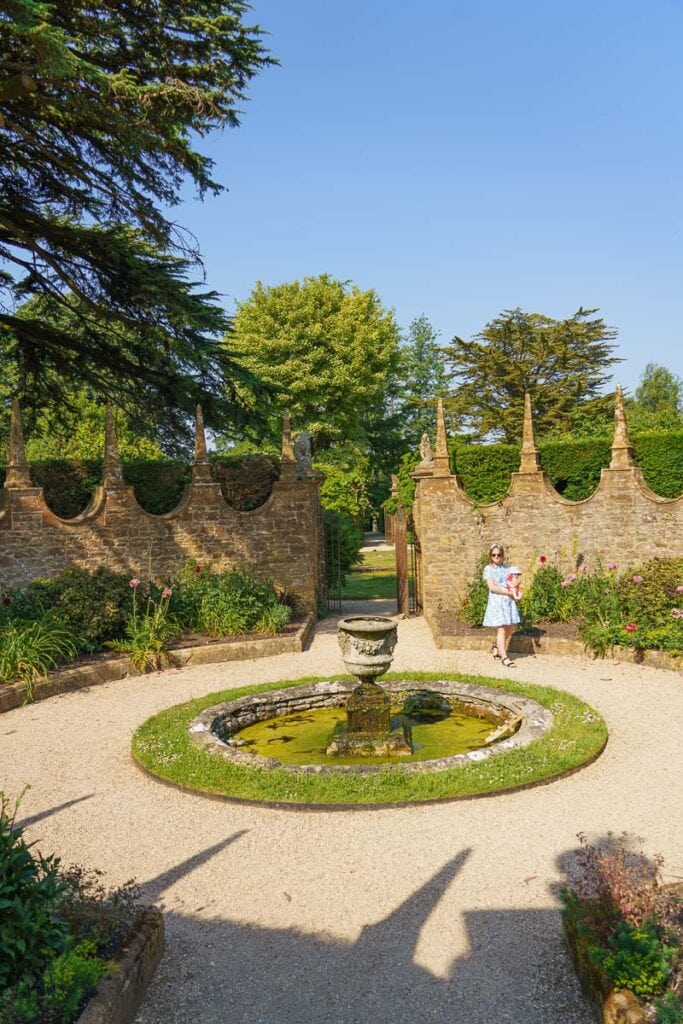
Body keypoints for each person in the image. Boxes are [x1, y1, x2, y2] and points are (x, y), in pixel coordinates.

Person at [482, 544, 520, 666]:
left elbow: (513, 581)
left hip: (508, 602)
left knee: (511, 627)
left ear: (502, 555)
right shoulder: (488, 569)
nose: (496, 557)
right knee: (501, 628)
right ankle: (504, 657)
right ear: (490, 556)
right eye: (494, 555)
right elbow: (492, 587)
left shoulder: (507, 568)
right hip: (497, 601)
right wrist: (509, 592)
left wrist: (516, 588)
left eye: (499, 554)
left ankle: (496, 645)